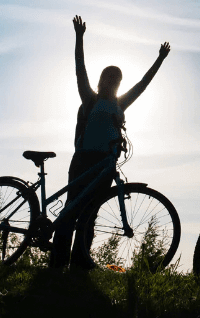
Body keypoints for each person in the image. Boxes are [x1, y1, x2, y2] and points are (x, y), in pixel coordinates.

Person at [50, 15, 171, 269]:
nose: (113, 82)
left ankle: (79, 266)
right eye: (109, 78)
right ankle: (56, 264)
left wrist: (159, 59)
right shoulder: (89, 99)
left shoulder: (120, 103)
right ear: (101, 80)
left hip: (105, 164)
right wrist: (79, 37)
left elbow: (143, 85)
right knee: (71, 211)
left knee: (90, 215)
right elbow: (79, 68)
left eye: (116, 80)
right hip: (84, 161)